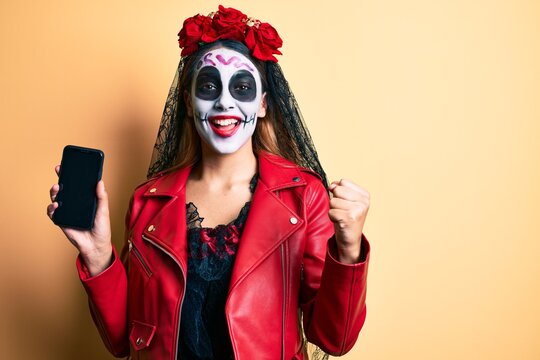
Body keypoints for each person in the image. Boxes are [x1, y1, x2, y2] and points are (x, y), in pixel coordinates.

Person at [47, 6, 371, 360]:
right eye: (209, 85)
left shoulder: (304, 196)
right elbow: (124, 340)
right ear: (188, 101)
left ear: (263, 104)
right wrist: (97, 256)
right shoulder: (147, 201)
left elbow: (334, 340)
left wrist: (349, 249)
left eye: (242, 87)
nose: (224, 101)